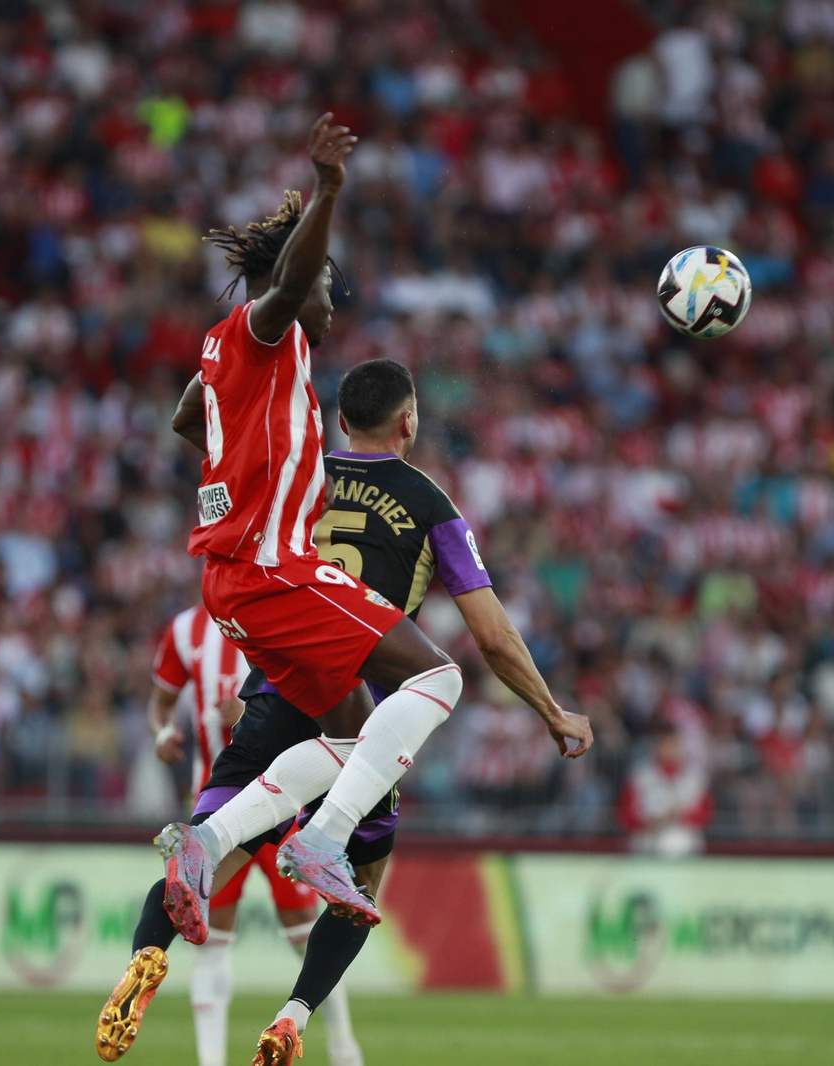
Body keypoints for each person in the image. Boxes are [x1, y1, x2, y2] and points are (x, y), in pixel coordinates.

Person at [158, 113, 589, 970]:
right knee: (439, 674)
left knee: (359, 742)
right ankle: (321, 842)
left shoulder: (222, 357)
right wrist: (328, 189)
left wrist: (233, 468)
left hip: (239, 575)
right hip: (271, 568)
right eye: (322, 287)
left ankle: (207, 845)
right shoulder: (260, 329)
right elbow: (287, 291)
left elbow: (185, 419)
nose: (329, 303)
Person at [99, 358, 593, 1065]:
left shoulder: (295, 473)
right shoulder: (429, 502)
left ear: (338, 421)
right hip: (372, 720)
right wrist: (551, 710)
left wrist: (224, 364)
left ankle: (144, 956)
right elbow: (491, 633)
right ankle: (295, 1017)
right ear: (409, 420)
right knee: (358, 887)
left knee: (214, 847)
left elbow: (199, 436)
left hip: (276, 689)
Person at [145, 604, 362, 1066]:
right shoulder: (185, 629)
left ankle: (344, 1045)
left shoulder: (275, 609)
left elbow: (301, 696)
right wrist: (163, 732)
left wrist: (250, 711)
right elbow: (160, 701)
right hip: (230, 802)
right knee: (212, 937)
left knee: (300, 931)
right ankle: (219, 1058)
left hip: (277, 801)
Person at [619, 721, 711, 857]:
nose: (669, 749)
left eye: (673, 744)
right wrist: (652, 821)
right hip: (646, 839)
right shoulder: (640, 775)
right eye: (665, 744)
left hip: (684, 841)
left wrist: (677, 816)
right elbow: (626, 814)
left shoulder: (694, 775)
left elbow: (705, 813)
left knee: (675, 842)